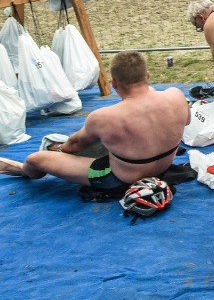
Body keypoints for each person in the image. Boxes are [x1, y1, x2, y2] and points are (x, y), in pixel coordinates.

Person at [0, 51, 189, 194]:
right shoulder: (176, 96)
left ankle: (24, 171)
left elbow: (72, 146)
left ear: (114, 84)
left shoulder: (104, 117)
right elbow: (185, 121)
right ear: (147, 76)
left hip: (120, 178)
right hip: (163, 166)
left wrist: (59, 151)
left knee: (36, 158)